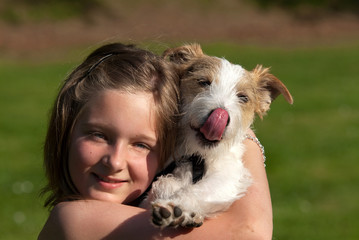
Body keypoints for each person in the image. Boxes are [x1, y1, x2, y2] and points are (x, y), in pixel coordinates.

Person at [38, 42, 272, 239]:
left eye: (141, 144)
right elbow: (248, 232)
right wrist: (245, 136)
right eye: (98, 135)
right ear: (66, 129)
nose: (116, 162)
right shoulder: (72, 220)